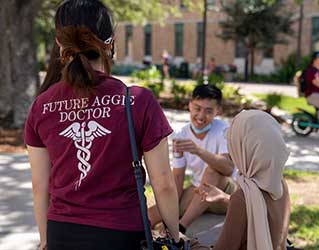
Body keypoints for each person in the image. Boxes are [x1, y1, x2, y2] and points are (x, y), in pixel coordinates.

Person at [24, 1, 180, 249]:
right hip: (121, 233)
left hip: (61, 233)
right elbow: (163, 182)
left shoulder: (40, 106)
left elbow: (39, 186)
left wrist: (45, 239)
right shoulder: (137, 101)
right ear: (111, 42)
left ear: (59, 44)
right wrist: (174, 235)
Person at [193, 110, 291, 250]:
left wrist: (192, 245)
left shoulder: (242, 197)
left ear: (243, 148)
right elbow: (259, 210)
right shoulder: (279, 183)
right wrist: (225, 197)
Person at [148, 84, 235, 233]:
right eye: (197, 108)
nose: (201, 116)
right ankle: (135, 230)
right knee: (156, 211)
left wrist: (198, 150)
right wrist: (169, 211)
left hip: (222, 193)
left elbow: (228, 168)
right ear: (189, 105)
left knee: (212, 171)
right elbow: (178, 175)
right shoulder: (181, 134)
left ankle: (181, 226)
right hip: (198, 192)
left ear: (217, 111)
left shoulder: (223, 130)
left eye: (208, 111)